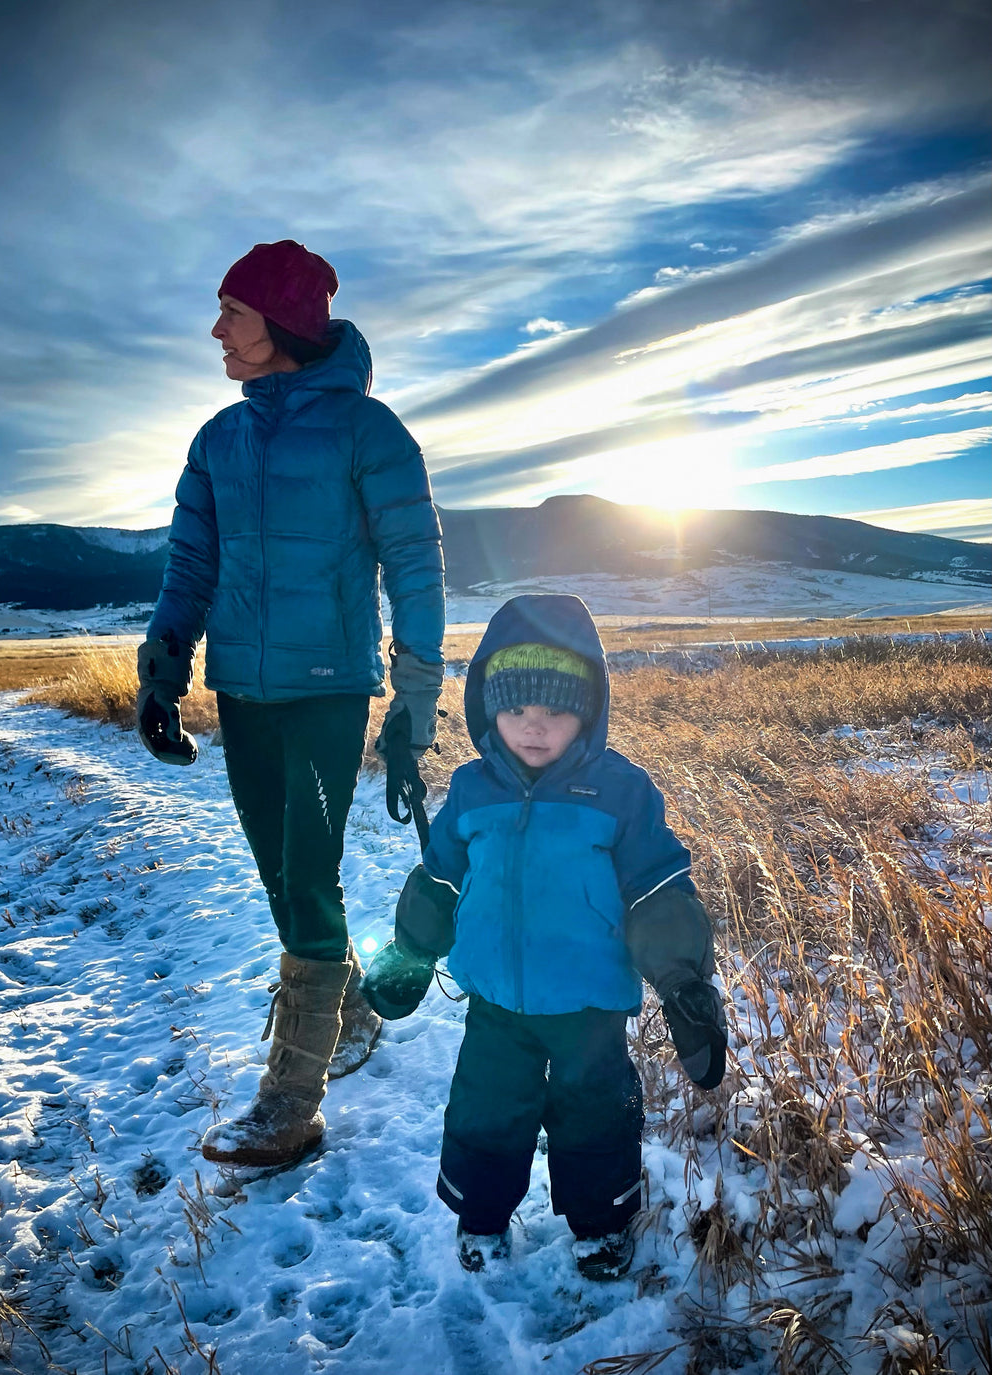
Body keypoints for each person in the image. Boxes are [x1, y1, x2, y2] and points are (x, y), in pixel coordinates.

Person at [136, 239, 446, 1173]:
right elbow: (191, 564)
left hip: (327, 694)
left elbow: (417, 571)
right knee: (279, 871)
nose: (217, 330)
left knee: (308, 873)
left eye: (232, 311)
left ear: (281, 325)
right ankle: (340, 997)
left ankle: (291, 1103)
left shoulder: (370, 432)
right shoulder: (218, 440)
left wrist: (413, 700)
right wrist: (162, 670)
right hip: (243, 691)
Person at [362, 593, 727, 1280]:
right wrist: (410, 950)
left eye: (555, 710)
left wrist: (682, 981)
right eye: (517, 708)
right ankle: (482, 1213)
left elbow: (657, 889)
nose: (534, 726)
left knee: (595, 1117)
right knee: (485, 1110)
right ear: (487, 707)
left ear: (587, 709)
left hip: (588, 1006)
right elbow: (439, 878)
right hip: (495, 1002)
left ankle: (602, 1222)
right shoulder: (473, 791)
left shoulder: (620, 792)